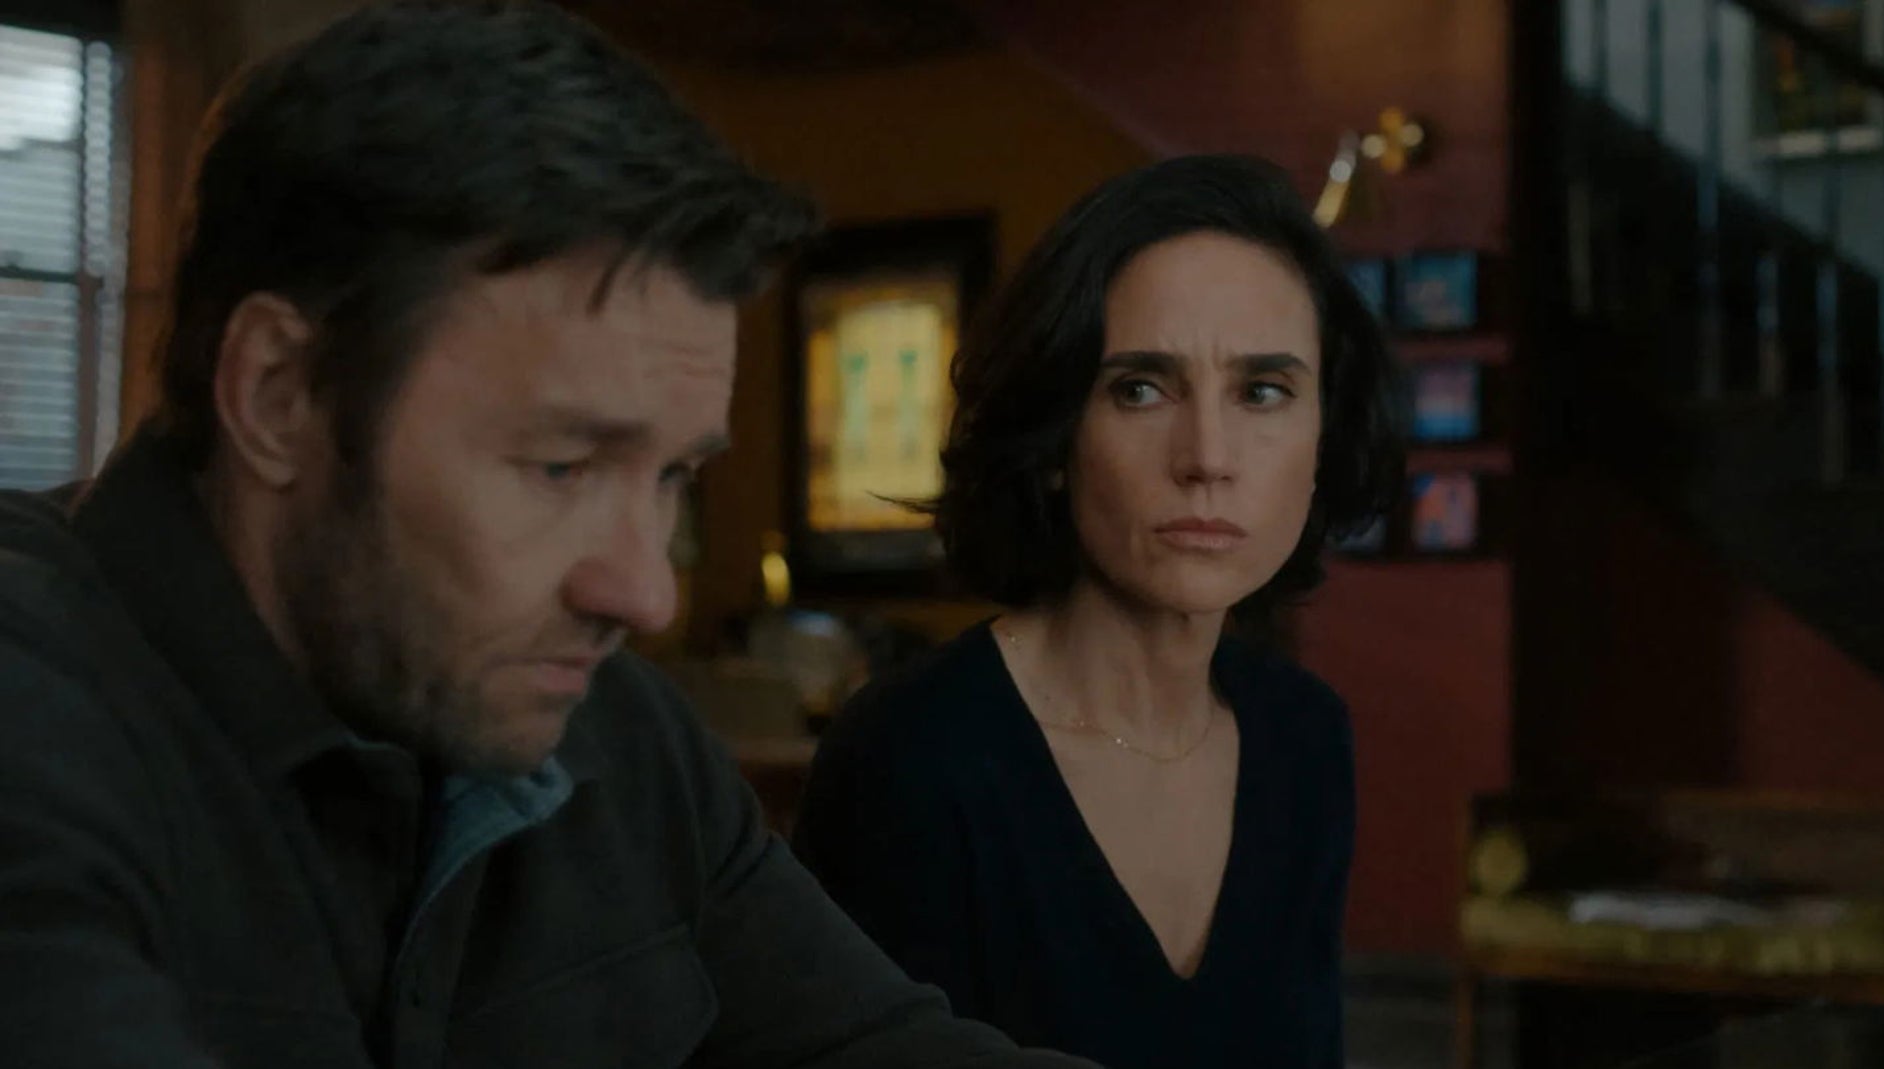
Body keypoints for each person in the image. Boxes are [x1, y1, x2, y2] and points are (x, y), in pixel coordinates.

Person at [0, 3, 1100, 1066]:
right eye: (562, 467)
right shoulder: (36, 709)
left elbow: (879, 1046)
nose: (645, 594)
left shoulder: (618, 734)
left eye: (672, 476)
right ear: (279, 393)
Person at [793, 155, 1403, 1069]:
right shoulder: (915, 755)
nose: (1207, 456)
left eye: (1263, 391)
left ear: (1324, 438)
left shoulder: (1305, 737)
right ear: (1054, 437)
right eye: (1140, 388)